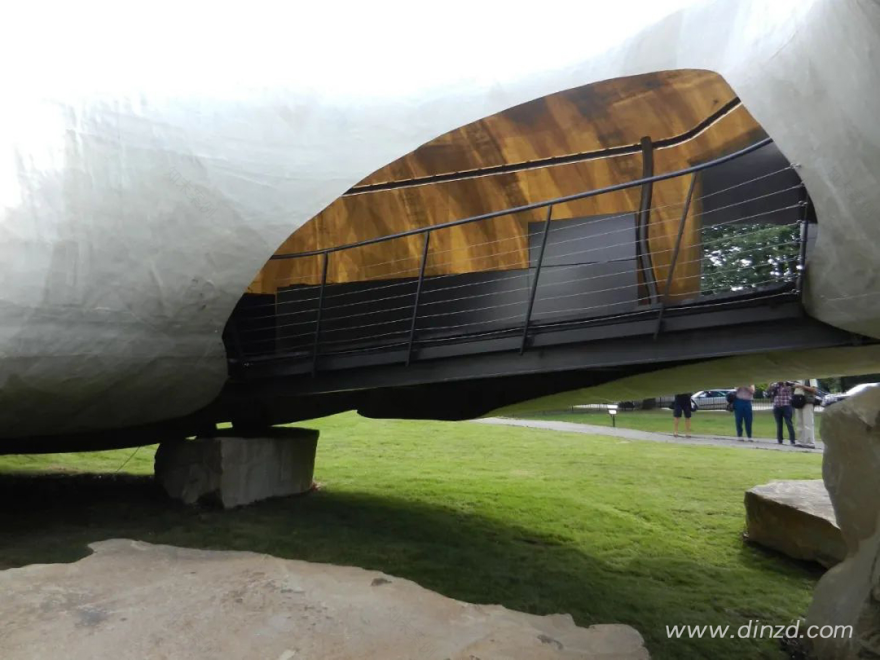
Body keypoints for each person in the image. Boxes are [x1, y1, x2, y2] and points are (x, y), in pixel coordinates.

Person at [794, 379, 821, 447]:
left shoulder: (810, 378)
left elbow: (814, 390)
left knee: (808, 422)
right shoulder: (796, 377)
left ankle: (810, 442)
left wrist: (802, 386)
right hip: (798, 400)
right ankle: (801, 441)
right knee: (799, 422)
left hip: (807, 400)